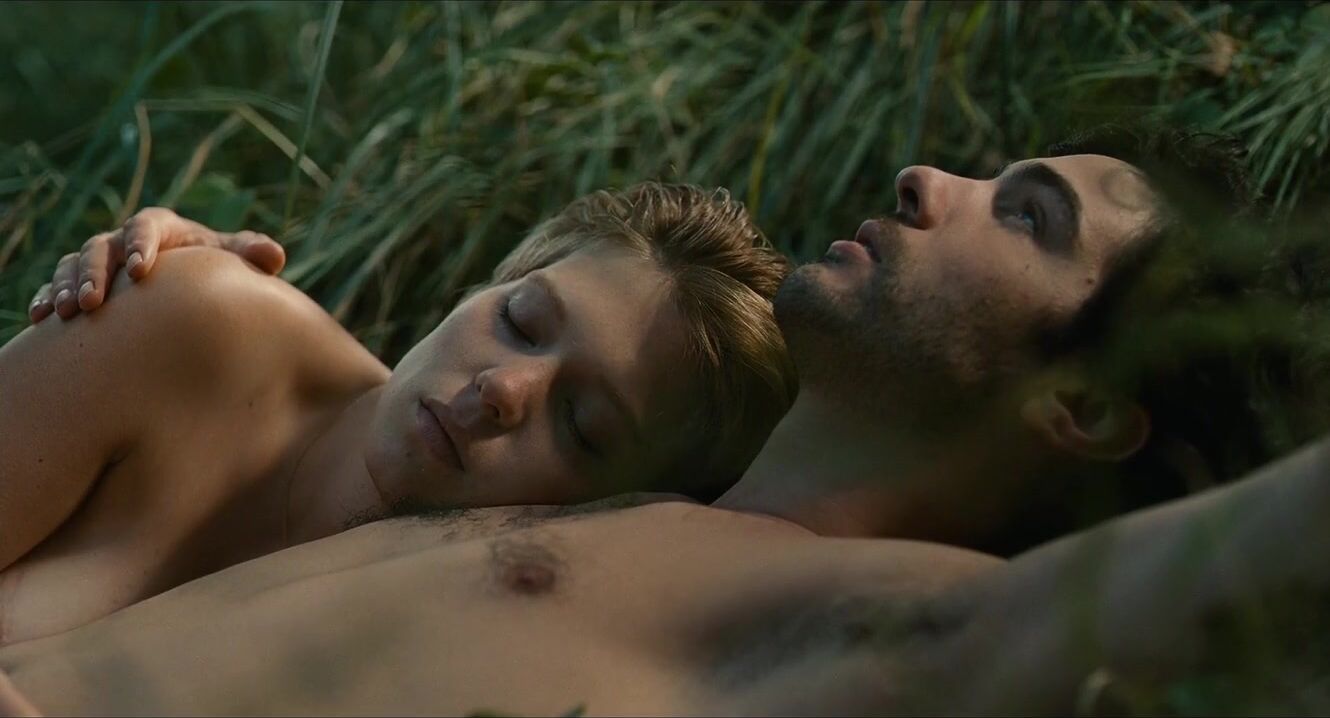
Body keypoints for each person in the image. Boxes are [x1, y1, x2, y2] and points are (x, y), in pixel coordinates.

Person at [4, 124, 1321, 715]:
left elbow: (1139, 599)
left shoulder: (867, 612)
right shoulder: (624, 500)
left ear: (1081, 402)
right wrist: (182, 310)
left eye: (1027, 215)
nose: (931, 178)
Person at [0, 182, 797, 645]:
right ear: (485, 284)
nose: (504, 389)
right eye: (520, 320)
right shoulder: (201, 325)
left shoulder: (477, 645)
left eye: (582, 424)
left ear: (623, 511)